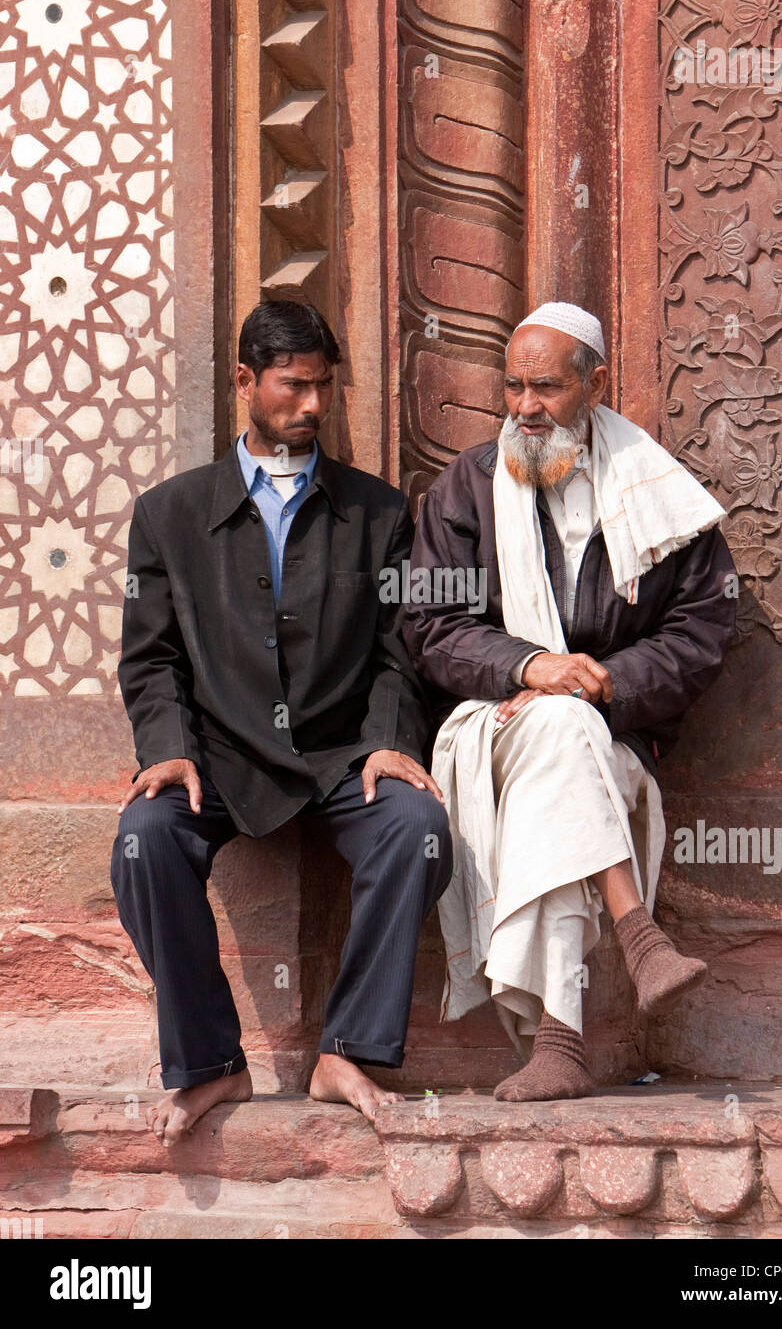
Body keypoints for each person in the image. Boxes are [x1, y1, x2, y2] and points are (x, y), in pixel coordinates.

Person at [112, 300, 451, 1144]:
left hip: (341, 755)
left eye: (323, 388)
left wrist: (387, 743)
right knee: (144, 839)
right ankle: (210, 1063)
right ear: (244, 382)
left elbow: (398, 653)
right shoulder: (168, 515)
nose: (311, 406)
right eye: (293, 387)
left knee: (415, 827)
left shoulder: (379, 514)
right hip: (218, 758)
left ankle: (347, 1053)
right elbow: (150, 658)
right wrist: (168, 752)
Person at [403, 301, 738, 1101]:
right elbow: (430, 624)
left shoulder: (657, 491)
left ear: (595, 383)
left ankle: (560, 1045)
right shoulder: (468, 488)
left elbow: (703, 626)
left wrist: (607, 683)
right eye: (513, 388)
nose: (525, 408)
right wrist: (528, 667)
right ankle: (637, 931)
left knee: (563, 734)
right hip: (493, 723)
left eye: (546, 388)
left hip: (605, 731)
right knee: (554, 718)